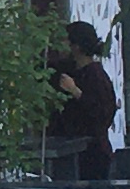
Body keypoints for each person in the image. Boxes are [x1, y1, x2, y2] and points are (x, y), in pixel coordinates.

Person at [47, 19, 119, 180]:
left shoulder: (96, 76)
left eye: (66, 41)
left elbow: (103, 113)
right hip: (68, 151)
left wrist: (76, 92)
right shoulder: (68, 69)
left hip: (92, 153)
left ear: (76, 46)